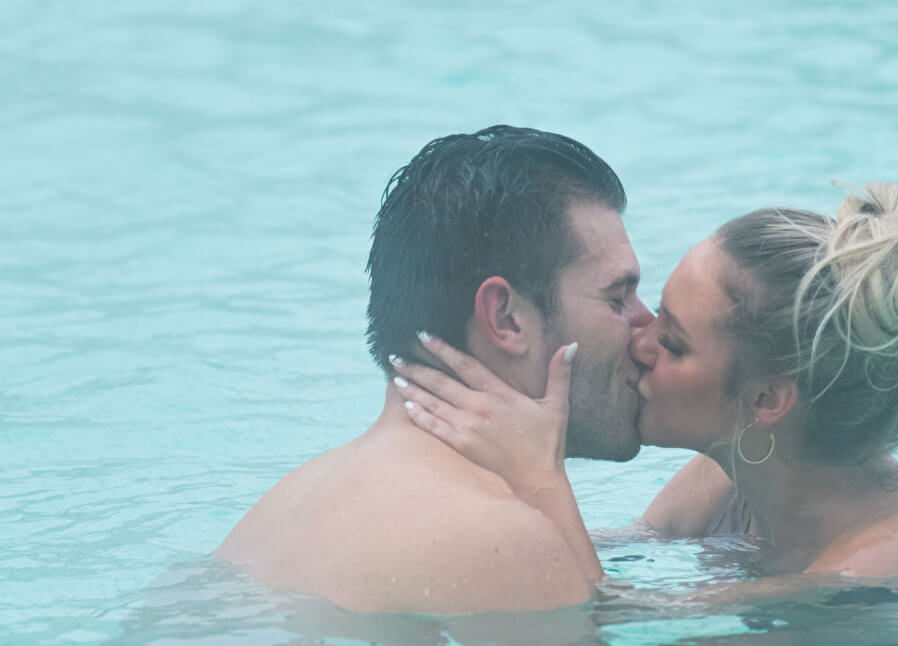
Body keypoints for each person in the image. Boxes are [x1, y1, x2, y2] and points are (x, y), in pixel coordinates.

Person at [394, 181, 898, 586]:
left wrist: (538, 476)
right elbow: (624, 550)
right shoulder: (732, 468)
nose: (638, 341)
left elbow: (605, 641)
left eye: (674, 343)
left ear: (766, 400)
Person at [217, 125, 653, 613]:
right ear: (506, 318)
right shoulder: (502, 541)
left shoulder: (277, 509)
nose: (649, 329)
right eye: (618, 298)